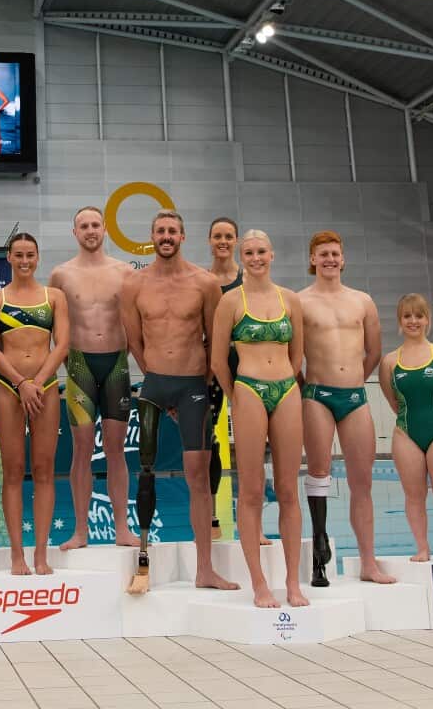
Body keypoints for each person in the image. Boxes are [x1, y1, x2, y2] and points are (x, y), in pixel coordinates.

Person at [122, 211, 237, 594]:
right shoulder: (134, 284)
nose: (166, 236)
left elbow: (213, 340)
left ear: (183, 237)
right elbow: (135, 341)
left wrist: (200, 382)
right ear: (152, 236)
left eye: (172, 231)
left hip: (192, 387)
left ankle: (205, 568)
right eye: (160, 231)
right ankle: (142, 560)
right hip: (155, 387)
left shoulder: (205, 284)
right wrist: (153, 375)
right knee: (147, 473)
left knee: (198, 479)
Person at [211, 230, 308, 608]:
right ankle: (259, 584)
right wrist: (237, 396)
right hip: (249, 389)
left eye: (261, 251)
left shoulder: (291, 300)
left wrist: (287, 383)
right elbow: (219, 360)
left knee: (288, 490)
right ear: (241, 255)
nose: (255, 258)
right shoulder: (230, 302)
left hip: (286, 390)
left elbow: (297, 354)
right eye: (248, 252)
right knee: (251, 491)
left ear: (273, 254)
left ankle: (292, 583)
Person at [297, 231, 395, 587]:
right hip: (317, 396)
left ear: (343, 258)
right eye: (323, 254)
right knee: (319, 473)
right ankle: (319, 556)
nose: (330, 259)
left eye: (335, 253)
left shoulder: (362, 301)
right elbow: (294, 354)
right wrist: (305, 386)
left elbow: (374, 351)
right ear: (312, 260)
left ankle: (368, 561)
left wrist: (354, 379)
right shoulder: (300, 301)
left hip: (354, 396)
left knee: (362, 481)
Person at [0, 233, 70, 575]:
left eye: (30, 255)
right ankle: (17, 554)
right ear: (8, 257)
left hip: (45, 385)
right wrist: (21, 383)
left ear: (38, 257)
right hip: (8, 386)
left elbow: (61, 345)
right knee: (13, 471)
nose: (24, 260)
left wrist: (37, 383)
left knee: (45, 470)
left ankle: (41, 554)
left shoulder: (54, 297)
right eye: (18, 255)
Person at [49, 206, 136, 550]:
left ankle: (122, 529)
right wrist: (70, 361)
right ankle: (80, 530)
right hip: (80, 367)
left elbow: (133, 323)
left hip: (116, 364)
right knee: (82, 450)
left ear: (105, 230)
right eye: (83, 225)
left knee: (116, 451)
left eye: (95, 225)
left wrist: (121, 356)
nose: (90, 230)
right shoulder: (61, 274)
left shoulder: (125, 272)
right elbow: (57, 327)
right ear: (75, 232)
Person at [379, 293, 433, 563]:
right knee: (413, 495)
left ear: (427, 319)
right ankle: (422, 547)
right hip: (406, 431)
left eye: (419, 315)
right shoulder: (390, 362)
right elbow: (393, 402)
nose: (413, 321)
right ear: (400, 321)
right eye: (407, 316)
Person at [205, 217, 270, 545]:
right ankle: (212, 516)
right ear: (209, 240)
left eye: (229, 236)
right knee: (208, 442)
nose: (223, 241)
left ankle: (254, 525)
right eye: (218, 236)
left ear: (236, 242)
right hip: (211, 367)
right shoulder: (201, 280)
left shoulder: (251, 278)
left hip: (247, 365)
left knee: (251, 446)